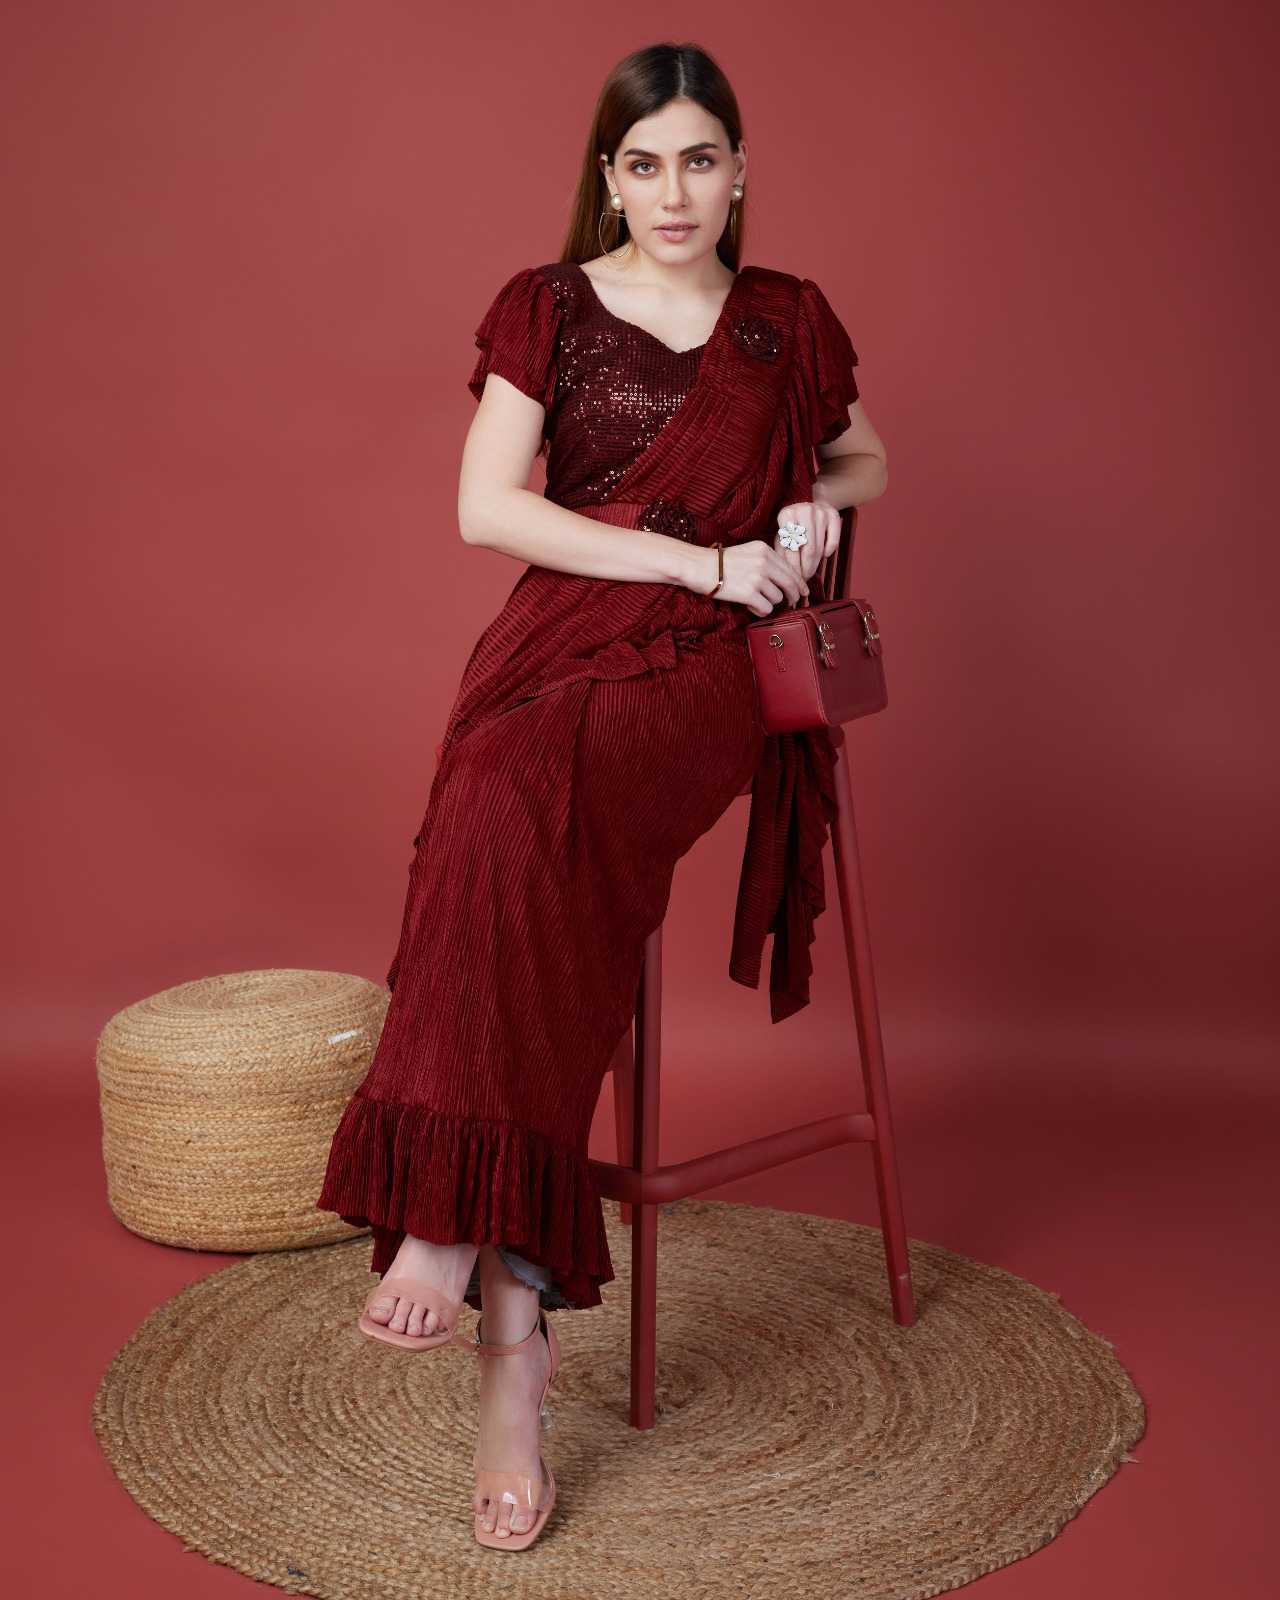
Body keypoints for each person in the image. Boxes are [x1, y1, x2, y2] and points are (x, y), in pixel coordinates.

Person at [316, 39, 888, 1550]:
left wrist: (804, 511)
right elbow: (484, 509)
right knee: (501, 803)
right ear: (608, 178)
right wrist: (698, 555)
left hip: (708, 673)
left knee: (531, 807)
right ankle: (512, 1333)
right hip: (568, 636)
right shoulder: (551, 306)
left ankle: (454, 1235)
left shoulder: (786, 319)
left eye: (701, 159)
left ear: (740, 173)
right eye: (645, 164)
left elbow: (867, 460)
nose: (673, 191)